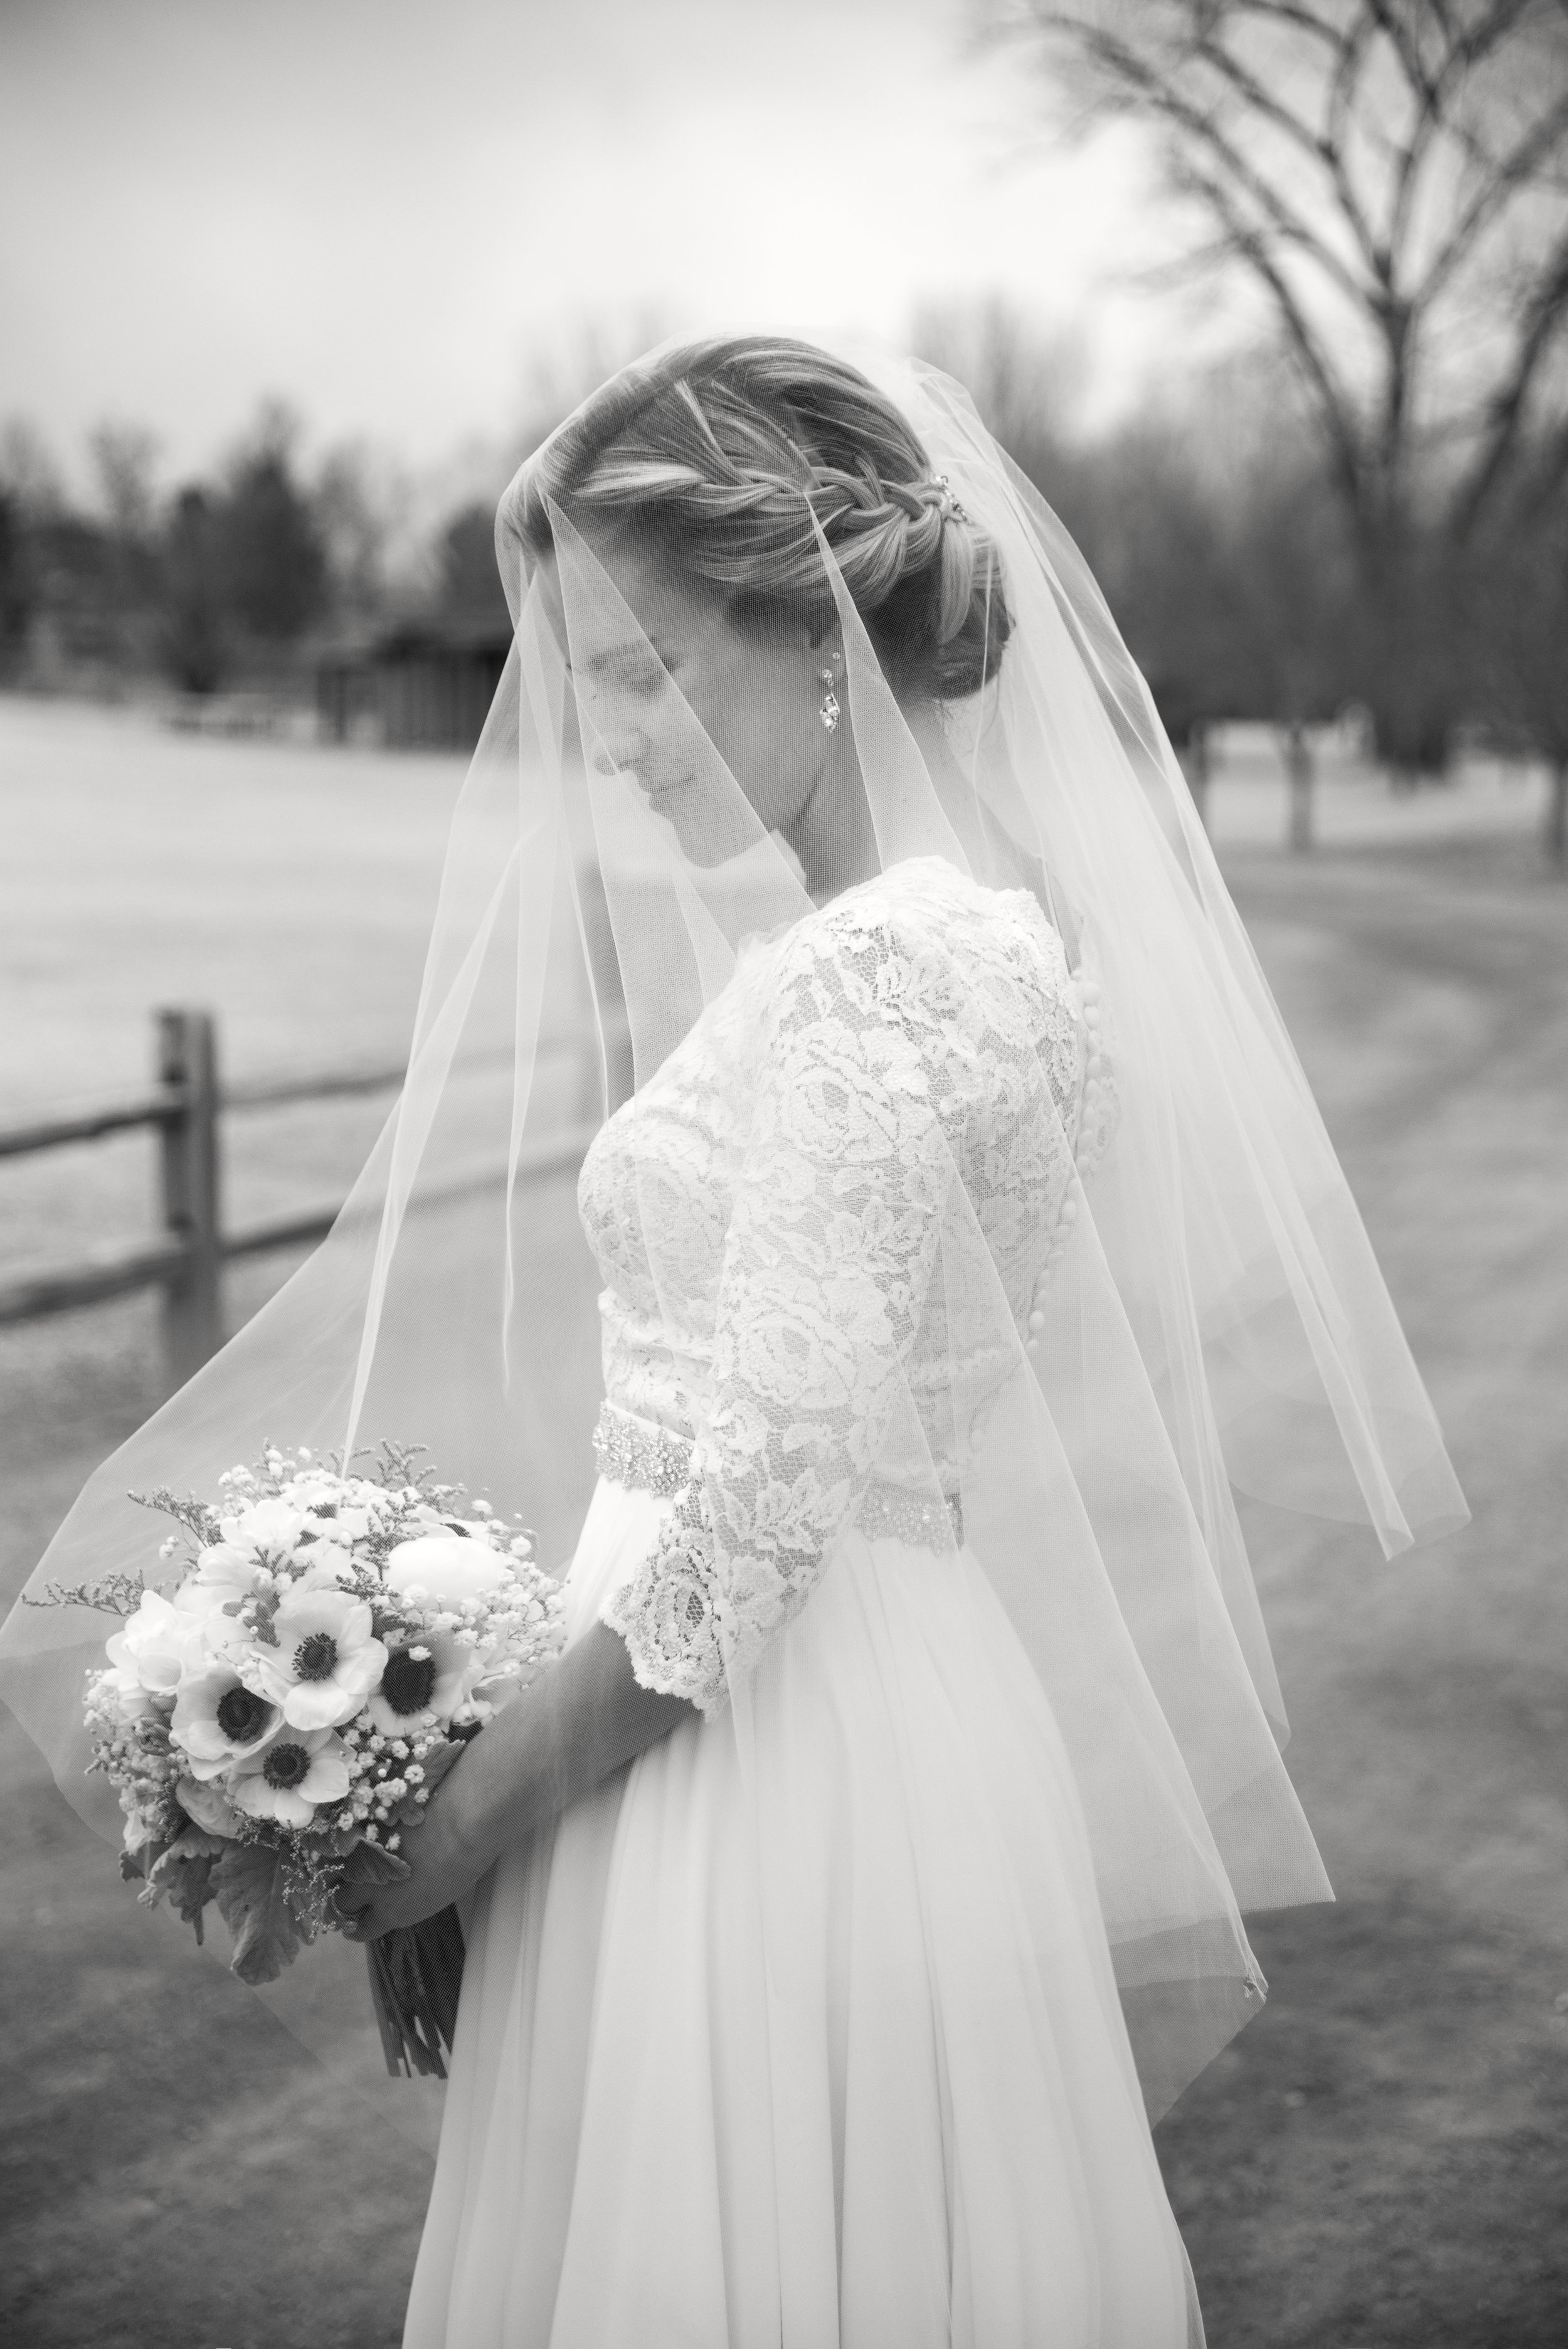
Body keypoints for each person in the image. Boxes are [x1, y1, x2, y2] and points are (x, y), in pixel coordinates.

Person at [0, 337, 1466, 2348]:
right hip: (824, 1706)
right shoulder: (927, 935)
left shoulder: (887, 972)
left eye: (635, 670)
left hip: (763, 1752)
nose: (606, 737)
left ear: (812, 628)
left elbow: (758, 1521)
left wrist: (445, 1829)